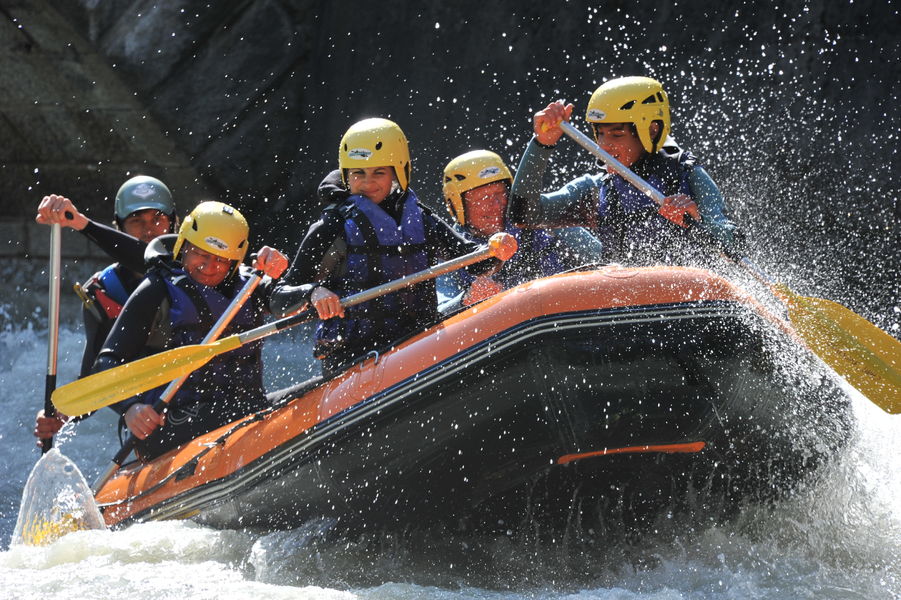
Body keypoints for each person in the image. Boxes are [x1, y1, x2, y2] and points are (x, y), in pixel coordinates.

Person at [271, 118, 507, 376]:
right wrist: (313, 293)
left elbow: (473, 260)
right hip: (355, 358)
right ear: (347, 174)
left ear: (398, 171)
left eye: (379, 173)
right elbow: (279, 299)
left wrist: (495, 249)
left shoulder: (419, 217)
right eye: (358, 173)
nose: (367, 182)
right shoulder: (333, 225)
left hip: (419, 342)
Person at [92, 201, 291, 460]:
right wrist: (130, 408)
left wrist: (308, 290)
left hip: (244, 407)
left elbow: (286, 299)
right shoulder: (157, 289)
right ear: (183, 246)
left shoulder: (250, 284)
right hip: (169, 422)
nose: (209, 267)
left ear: (234, 262)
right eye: (200, 254)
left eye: (221, 260)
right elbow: (106, 362)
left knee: (299, 396)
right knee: (243, 410)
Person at [510, 76, 739, 265]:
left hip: (691, 302)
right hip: (625, 305)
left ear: (651, 130)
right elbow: (524, 215)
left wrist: (697, 222)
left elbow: (736, 243)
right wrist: (541, 145)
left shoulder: (687, 176)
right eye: (600, 134)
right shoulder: (597, 189)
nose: (605, 145)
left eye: (617, 135)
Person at [33, 176, 178, 446]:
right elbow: (97, 377)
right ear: (119, 228)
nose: (149, 230)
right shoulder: (104, 291)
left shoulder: (194, 266)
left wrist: (80, 223)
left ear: (174, 223)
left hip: (200, 393)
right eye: (136, 221)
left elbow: (149, 257)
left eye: (158, 219)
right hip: (144, 412)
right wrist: (63, 413)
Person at [439, 149, 601, 307]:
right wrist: (466, 299)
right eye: (484, 198)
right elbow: (440, 309)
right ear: (457, 205)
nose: (495, 206)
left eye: (500, 194)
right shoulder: (448, 246)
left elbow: (601, 258)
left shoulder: (539, 221)